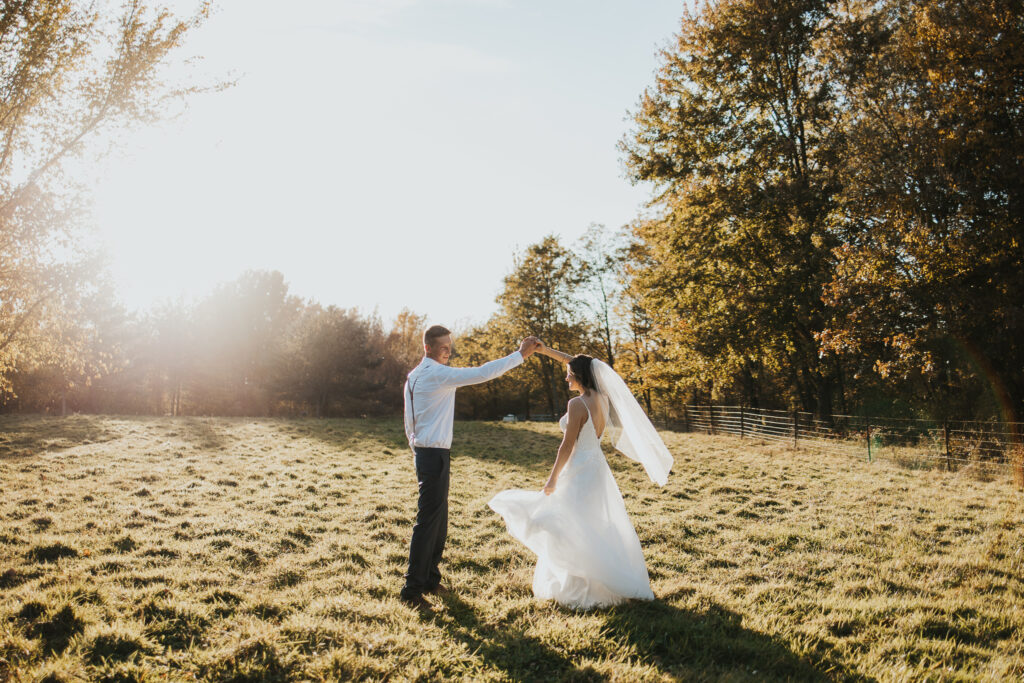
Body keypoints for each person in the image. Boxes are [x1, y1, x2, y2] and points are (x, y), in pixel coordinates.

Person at [488, 342, 673, 609]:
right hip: (597, 466)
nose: (566, 376)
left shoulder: (577, 404)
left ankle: (581, 584)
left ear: (580, 376)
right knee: (590, 521)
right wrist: (545, 350)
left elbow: (567, 445)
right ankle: (594, 576)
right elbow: (580, 363)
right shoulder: (602, 398)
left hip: (579, 466)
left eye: (569, 374)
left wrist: (552, 478)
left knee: (568, 521)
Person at [401, 325, 540, 612]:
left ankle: (430, 579)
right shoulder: (436, 373)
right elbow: (482, 373)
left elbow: (409, 421)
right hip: (432, 454)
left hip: (429, 453)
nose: (448, 352)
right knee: (428, 522)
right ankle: (411, 590)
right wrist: (520, 355)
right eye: (443, 348)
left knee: (439, 520)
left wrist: (416, 448)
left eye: (449, 347)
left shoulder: (414, 376)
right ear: (428, 348)